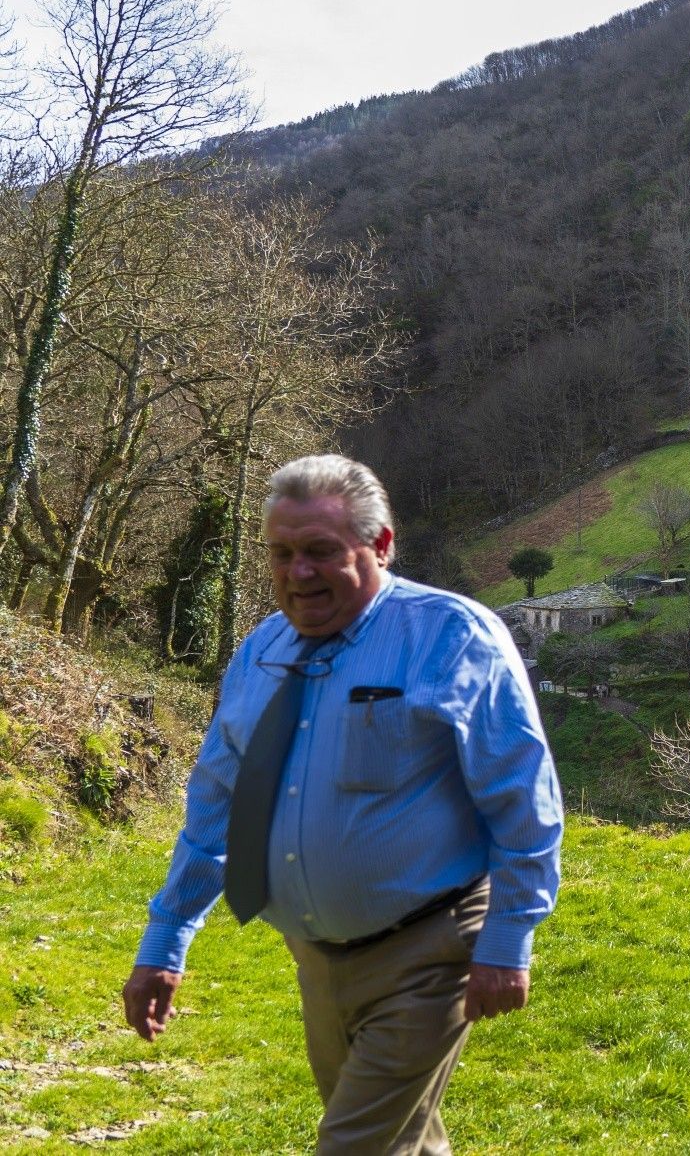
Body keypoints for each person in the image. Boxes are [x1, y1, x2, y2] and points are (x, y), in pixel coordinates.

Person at [124, 454, 563, 1154]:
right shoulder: (260, 650)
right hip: (317, 958)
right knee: (402, 1143)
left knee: (356, 1145)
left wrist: (510, 937)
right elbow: (217, 802)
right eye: (282, 553)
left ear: (380, 545)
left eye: (322, 552)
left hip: (429, 947)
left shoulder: (452, 637)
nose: (298, 573)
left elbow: (522, 796)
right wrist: (167, 936)